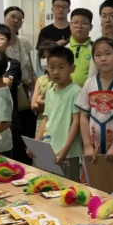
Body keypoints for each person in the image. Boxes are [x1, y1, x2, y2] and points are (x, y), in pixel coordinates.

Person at [78, 37, 113, 183]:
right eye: (98, 55)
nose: (103, 59)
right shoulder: (89, 83)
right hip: (93, 147)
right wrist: (87, 145)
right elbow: (83, 116)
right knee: (91, 184)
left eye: (108, 54)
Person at [0, 23, 34, 164]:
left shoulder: (12, 63)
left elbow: (5, 82)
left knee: (5, 157)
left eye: (1, 38)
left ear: (8, 43)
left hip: (7, 114)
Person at [36, 46, 82, 180]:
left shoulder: (76, 91)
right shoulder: (50, 92)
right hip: (49, 149)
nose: (56, 72)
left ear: (72, 68)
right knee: (49, 185)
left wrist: (66, 149)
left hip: (68, 152)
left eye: (61, 67)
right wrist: (36, 143)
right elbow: (46, 120)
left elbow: (76, 122)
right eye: (52, 67)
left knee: (69, 187)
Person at [4, 5, 35, 101]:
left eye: (20, 19)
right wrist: (21, 79)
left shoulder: (24, 41)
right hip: (8, 90)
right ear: (4, 17)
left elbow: (30, 67)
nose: (16, 21)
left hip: (26, 90)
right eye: (12, 17)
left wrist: (34, 81)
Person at [31, 41, 56, 137]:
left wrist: (40, 101)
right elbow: (33, 105)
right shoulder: (41, 79)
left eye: (48, 57)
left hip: (56, 122)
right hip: (41, 122)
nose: (45, 60)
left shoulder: (63, 80)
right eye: (42, 57)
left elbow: (60, 105)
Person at [68, 7, 94, 87]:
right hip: (65, 92)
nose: (79, 26)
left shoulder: (96, 48)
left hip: (89, 91)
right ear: (70, 25)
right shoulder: (62, 48)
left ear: (91, 27)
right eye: (75, 23)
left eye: (84, 23)